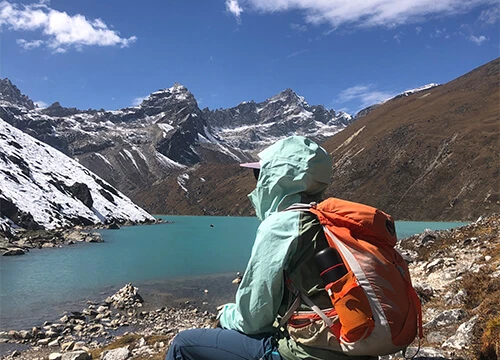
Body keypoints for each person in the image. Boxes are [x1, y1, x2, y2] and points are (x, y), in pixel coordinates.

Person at [165, 136, 376, 360]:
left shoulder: (282, 225)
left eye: (260, 174)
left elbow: (253, 319)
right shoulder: (330, 219)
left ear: (278, 178)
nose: (257, 183)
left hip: (307, 354)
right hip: (359, 347)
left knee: (183, 344)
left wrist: (227, 314)